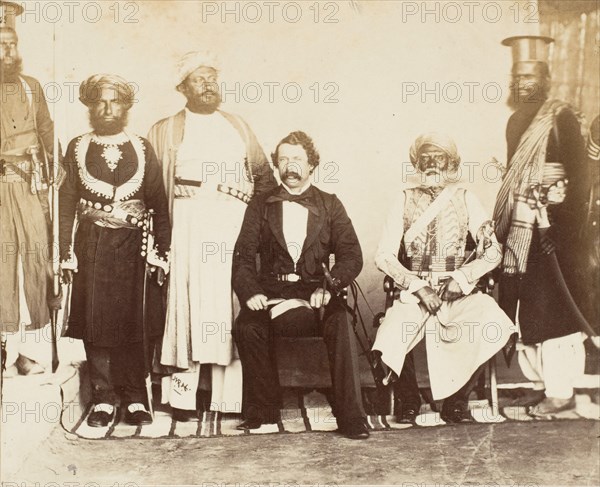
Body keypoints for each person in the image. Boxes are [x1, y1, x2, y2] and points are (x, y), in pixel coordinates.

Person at [148, 51, 276, 421]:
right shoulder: (165, 129)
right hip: (186, 223)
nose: (208, 86)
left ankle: (228, 398)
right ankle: (183, 399)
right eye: (198, 80)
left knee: (227, 303)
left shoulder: (237, 125)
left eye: (212, 79)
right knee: (186, 303)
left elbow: (264, 177)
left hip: (233, 223)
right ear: (182, 87)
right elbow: (153, 189)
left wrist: (257, 223)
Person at [232, 131, 369, 439]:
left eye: (297, 159)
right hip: (272, 295)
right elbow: (242, 258)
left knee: (342, 320)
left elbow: (352, 256)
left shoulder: (331, 205)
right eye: (283, 159)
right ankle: (263, 411)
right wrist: (251, 292)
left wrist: (330, 285)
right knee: (247, 326)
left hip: (316, 293)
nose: (290, 166)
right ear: (276, 165)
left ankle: (351, 417)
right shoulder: (260, 205)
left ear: (312, 164)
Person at [372, 133, 515, 423]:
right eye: (425, 158)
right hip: (416, 292)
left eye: (439, 158)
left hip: (457, 292)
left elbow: (492, 253)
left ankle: (457, 401)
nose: (432, 163)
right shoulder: (403, 199)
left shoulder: (466, 198)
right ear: (416, 163)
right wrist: (418, 286)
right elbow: (384, 256)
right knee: (392, 329)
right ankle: (409, 400)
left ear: (451, 164)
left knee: (491, 319)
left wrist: (462, 279)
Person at [59, 74, 170, 427]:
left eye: (115, 102)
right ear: (91, 107)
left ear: (126, 107)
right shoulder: (78, 147)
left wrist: (161, 252)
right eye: (100, 102)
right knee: (97, 321)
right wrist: (64, 250)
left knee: (134, 321)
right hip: (92, 247)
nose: (107, 109)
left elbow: (158, 202)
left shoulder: (141, 146)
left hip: (135, 248)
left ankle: (135, 396)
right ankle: (104, 398)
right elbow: (65, 202)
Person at [494, 36, 590, 417]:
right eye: (518, 76)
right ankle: (540, 385)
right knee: (527, 305)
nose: (524, 83)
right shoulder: (515, 120)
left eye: (531, 76)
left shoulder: (562, 116)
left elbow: (580, 180)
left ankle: (562, 390)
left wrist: (563, 232)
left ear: (546, 79)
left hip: (556, 229)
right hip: (522, 226)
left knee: (558, 311)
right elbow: (513, 175)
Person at [0, 1, 58, 376]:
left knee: (34, 265)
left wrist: (52, 170)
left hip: (31, 188)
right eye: (1, 44)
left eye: (13, 44)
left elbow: (47, 131)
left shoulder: (31, 87)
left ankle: (24, 353)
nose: (10, 52)